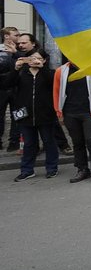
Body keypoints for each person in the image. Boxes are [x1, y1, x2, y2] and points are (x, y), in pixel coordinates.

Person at [2, 48, 58, 180]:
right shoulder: (22, 72)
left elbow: (54, 83)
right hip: (25, 115)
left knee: (49, 142)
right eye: (32, 58)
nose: (34, 61)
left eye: (38, 58)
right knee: (28, 144)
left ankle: (51, 168)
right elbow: (7, 84)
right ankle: (27, 170)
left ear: (44, 60)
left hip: (45, 114)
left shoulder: (49, 73)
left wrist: (42, 68)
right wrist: (15, 69)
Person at [54, 58, 91, 184]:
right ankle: (82, 169)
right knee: (77, 142)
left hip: (90, 112)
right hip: (70, 113)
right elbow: (56, 92)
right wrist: (59, 112)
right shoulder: (61, 71)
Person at [14, 33, 71, 154]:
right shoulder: (17, 56)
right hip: (24, 100)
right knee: (25, 126)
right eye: (19, 43)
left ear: (33, 43)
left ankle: (62, 144)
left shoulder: (41, 55)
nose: (21, 45)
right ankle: (27, 147)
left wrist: (41, 66)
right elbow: (10, 80)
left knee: (51, 127)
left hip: (44, 103)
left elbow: (51, 80)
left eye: (24, 43)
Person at [0, 26, 20, 151]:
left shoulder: (19, 50)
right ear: (7, 36)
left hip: (17, 88)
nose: (18, 37)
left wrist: (16, 53)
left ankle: (14, 142)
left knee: (17, 116)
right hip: (1, 89)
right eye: (15, 35)